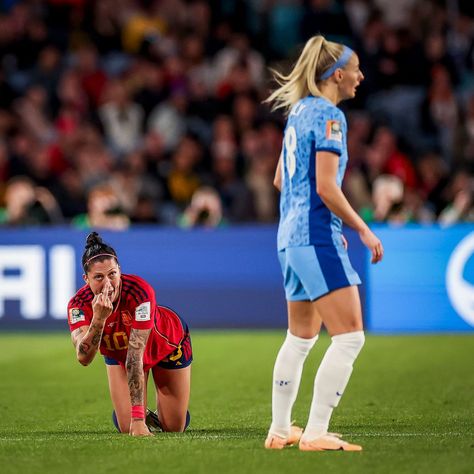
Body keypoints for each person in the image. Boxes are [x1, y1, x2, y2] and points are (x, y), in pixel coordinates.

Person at [263, 35, 384, 452]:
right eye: (356, 69)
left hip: (289, 237)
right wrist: (362, 229)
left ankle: (280, 430)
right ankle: (315, 432)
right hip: (315, 235)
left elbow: (280, 180)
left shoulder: (298, 112)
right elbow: (327, 187)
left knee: (300, 339)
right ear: (337, 75)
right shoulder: (330, 117)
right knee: (350, 337)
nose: (360, 76)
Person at [67, 232, 192, 436]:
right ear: (86, 279)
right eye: (98, 277)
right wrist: (98, 320)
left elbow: (135, 356)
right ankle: (128, 412)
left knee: (174, 427)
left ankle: (161, 411)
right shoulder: (78, 305)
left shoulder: (139, 292)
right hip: (119, 352)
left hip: (166, 344)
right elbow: (84, 357)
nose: (108, 284)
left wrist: (138, 419)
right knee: (126, 428)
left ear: (120, 271)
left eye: (112, 274)